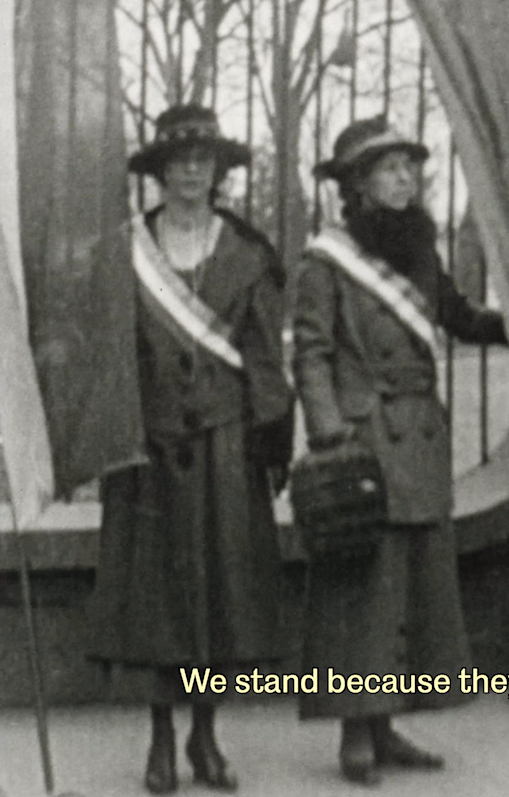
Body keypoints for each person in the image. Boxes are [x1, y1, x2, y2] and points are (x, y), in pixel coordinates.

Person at [293, 115, 509, 786]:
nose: (405, 178)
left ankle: (387, 727)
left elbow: (460, 317)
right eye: (389, 169)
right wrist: (331, 435)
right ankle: (355, 730)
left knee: (413, 590)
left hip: (419, 439)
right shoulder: (325, 261)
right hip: (365, 441)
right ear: (358, 184)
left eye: (409, 167)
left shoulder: (419, 252)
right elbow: (312, 353)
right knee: (365, 592)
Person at [86, 104, 294, 794]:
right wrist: (110, 436)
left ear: (219, 171)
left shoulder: (248, 254)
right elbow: (106, 353)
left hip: (224, 448)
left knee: (218, 596)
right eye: (178, 162)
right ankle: (160, 739)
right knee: (155, 599)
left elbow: (265, 358)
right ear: (160, 172)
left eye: (203, 161)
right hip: (147, 447)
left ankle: (205, 736)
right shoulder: (123, 251)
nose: (191, 173)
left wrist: (273, 439)